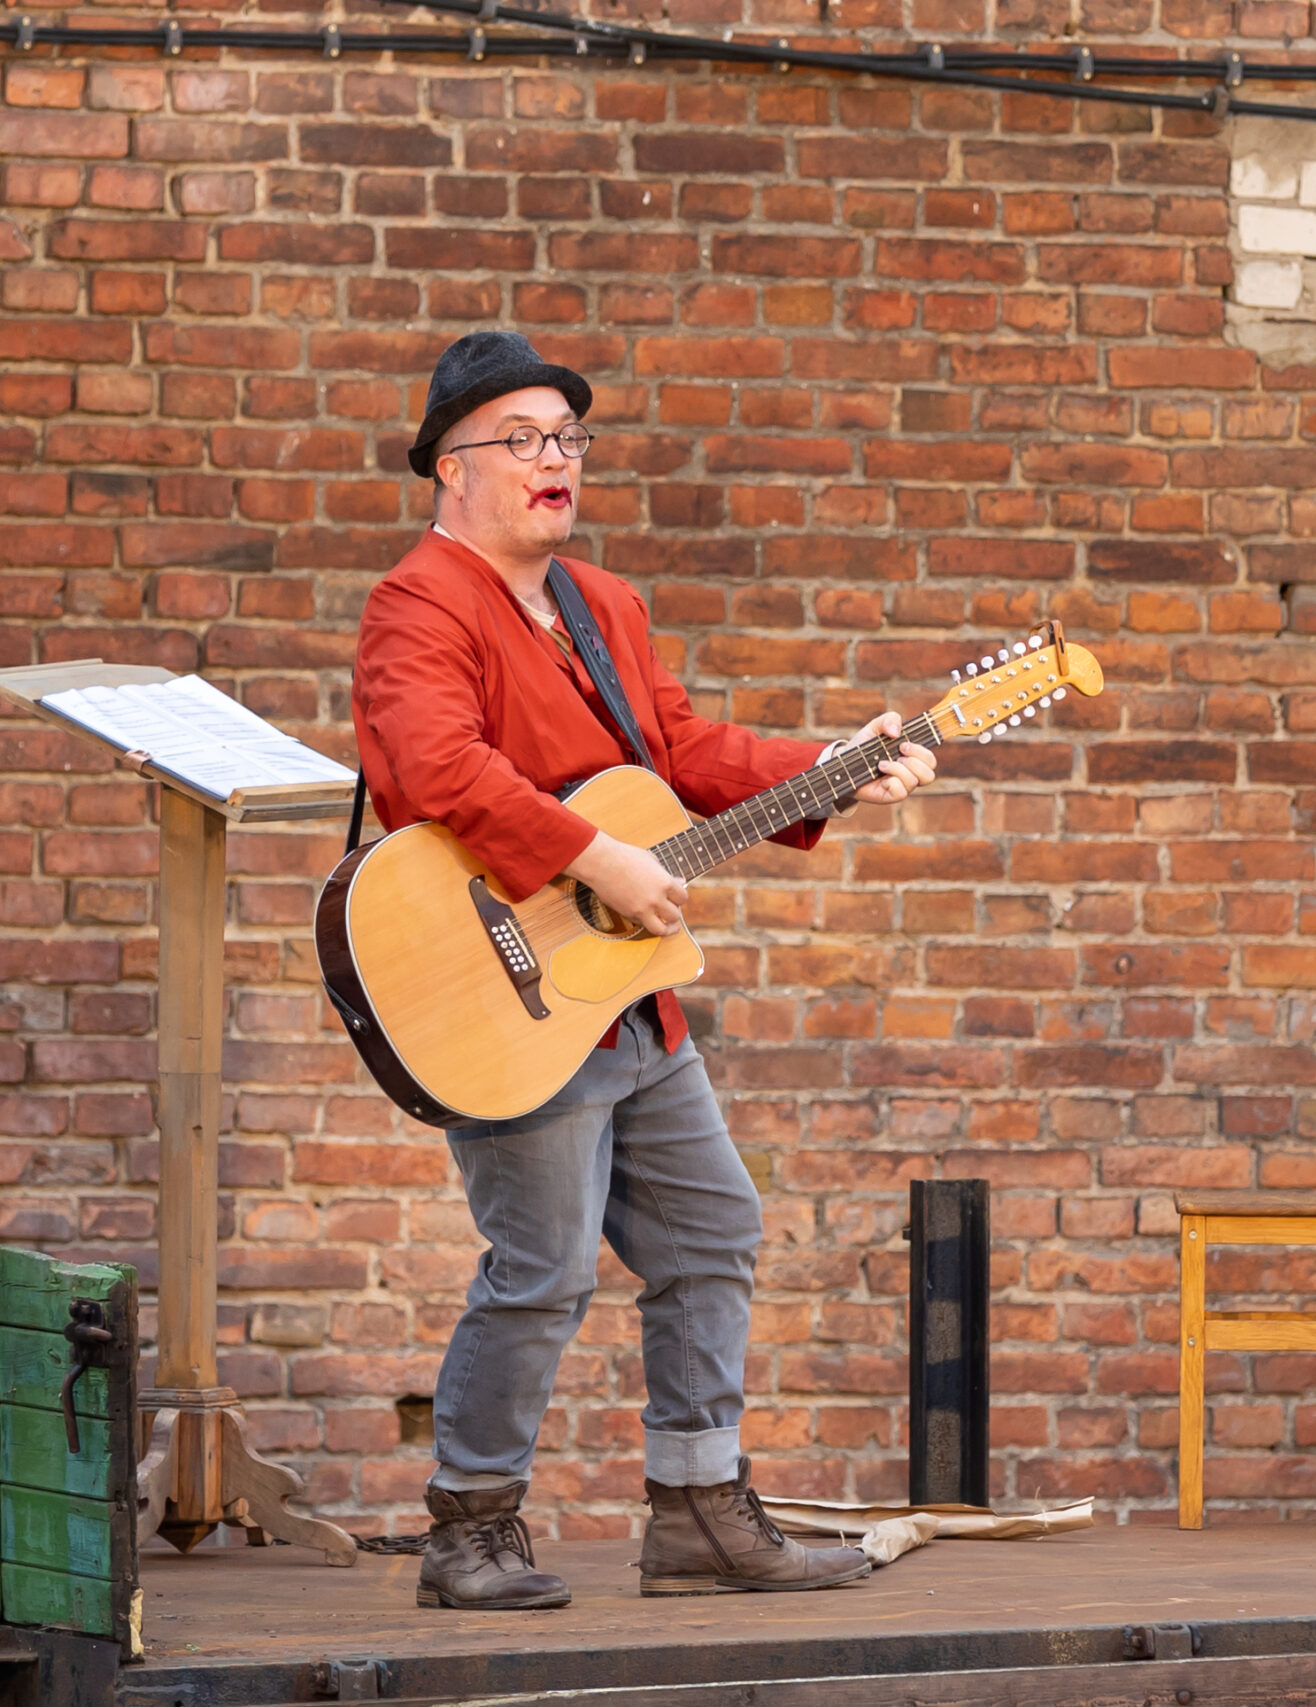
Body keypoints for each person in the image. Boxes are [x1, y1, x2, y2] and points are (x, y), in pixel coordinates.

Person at [352, 331, 939, 1608]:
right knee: (544, 1267)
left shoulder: (602, 604)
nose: (552, 460)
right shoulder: (418, 604)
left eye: (567, 437)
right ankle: (470, 1527)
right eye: (521, 439)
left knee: (712, 1229)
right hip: (502, 992)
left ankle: (693, 1513)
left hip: (625, 995)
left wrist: (831, 762)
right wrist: (597, 857)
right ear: (451, 470)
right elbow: (435, 771)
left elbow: (676, 747)